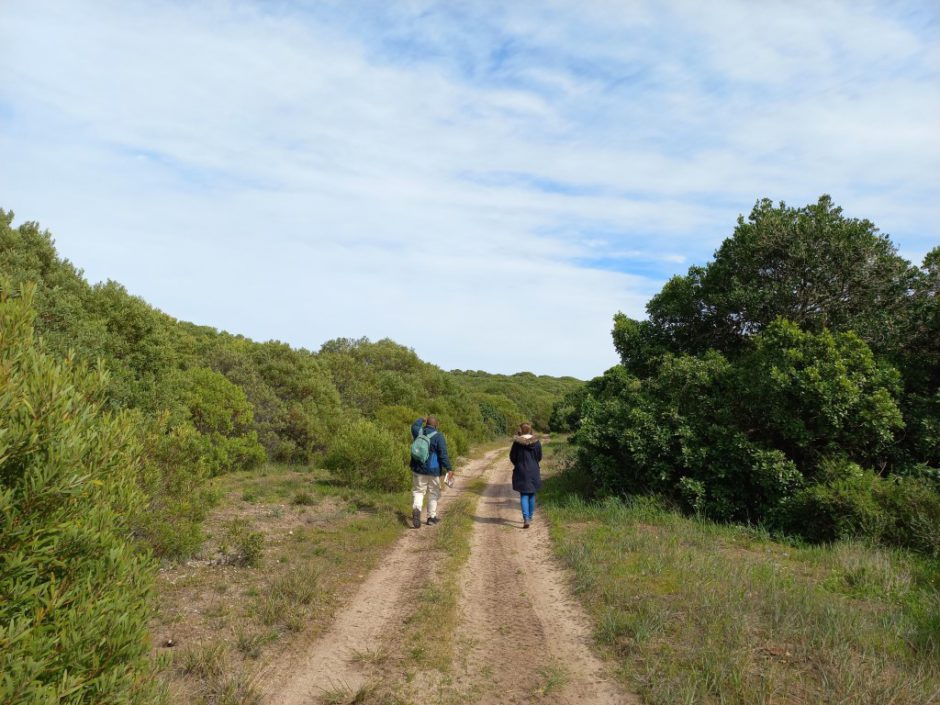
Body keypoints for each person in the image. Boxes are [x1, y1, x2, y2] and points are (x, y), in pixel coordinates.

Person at [410, 416, 453, 528]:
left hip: (418, 469)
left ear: (426, 424)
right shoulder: (439, 436)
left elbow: (414, 426)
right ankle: (431, 518)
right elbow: (443, 455)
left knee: (419, 491)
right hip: (433, 470)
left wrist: (421, 419)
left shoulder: (419, 432)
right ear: (436, 425)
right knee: (433, 493)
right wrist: (449, 468)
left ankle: (417, 509)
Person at [510, 422, 542, 529]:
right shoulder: (537, 442)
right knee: (532, 494)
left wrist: (518, 464)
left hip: (521, 469)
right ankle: (530, 517)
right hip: (533, 470)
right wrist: (533, 462)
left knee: (524, 494)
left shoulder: (517, 443)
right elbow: (539, 456)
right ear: (530, 430)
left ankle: (526, 519)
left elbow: (512, 457)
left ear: (521, 430)